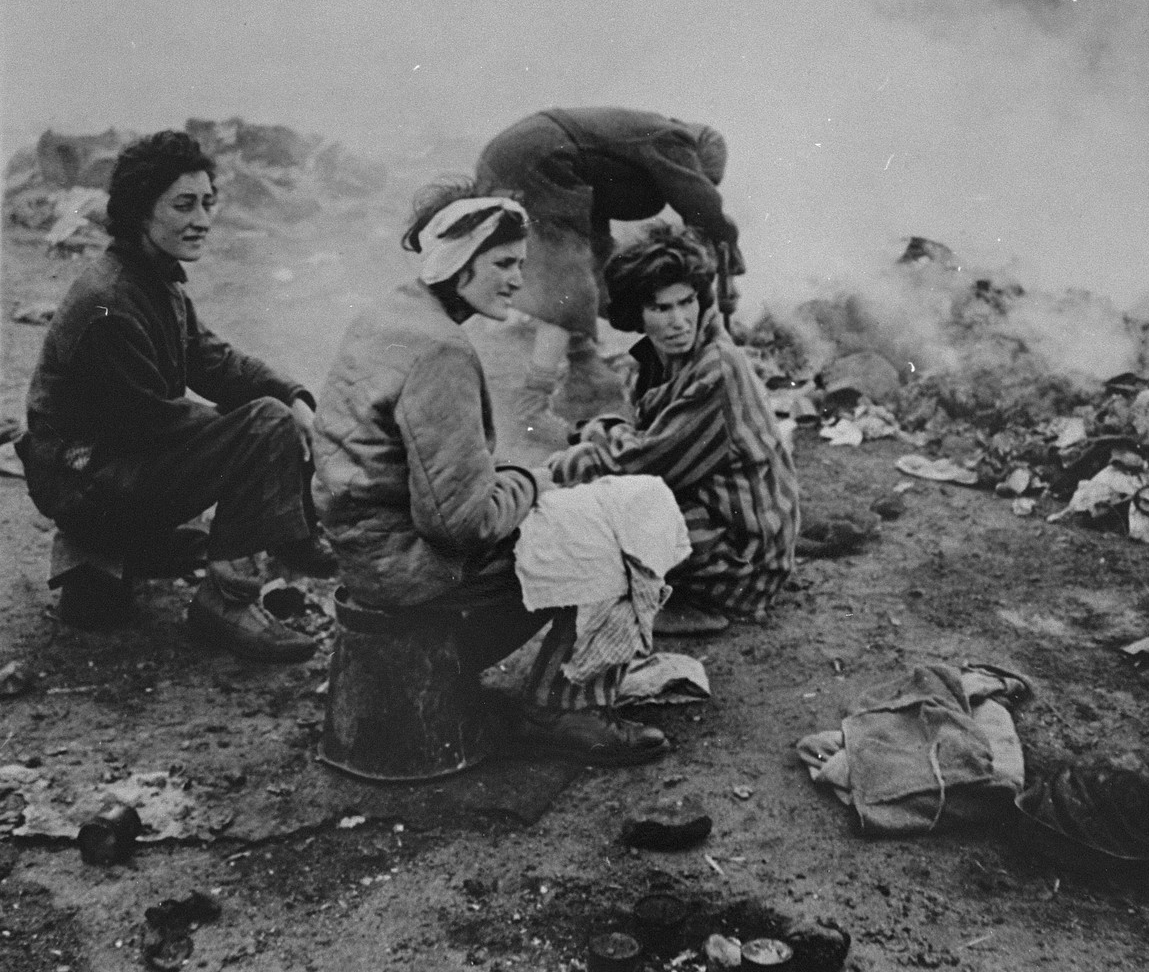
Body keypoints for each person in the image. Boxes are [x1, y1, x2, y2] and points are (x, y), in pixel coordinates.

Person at [310, 185, 670, 765]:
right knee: (607, 536)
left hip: (366, 553)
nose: (516, 282)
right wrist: (531, 484)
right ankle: (564, 709)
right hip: (412, 573)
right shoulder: (441, 351)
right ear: (456, 260)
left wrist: (504, 478)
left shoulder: (389, 314)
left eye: (520, 265)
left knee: (561, 509)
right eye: (503, 264)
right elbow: (461, 527)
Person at [18, 130, 335, 660]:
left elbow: (211, 359)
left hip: (105, 467)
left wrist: (293, 394)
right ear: (142, 211)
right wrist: (264, 431)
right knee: (266, 426)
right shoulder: (111, 302)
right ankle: (226, 603)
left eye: (208, 203)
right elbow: (154, 424)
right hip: (85, 484)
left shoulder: (151, 276)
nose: (202, 219)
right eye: (183, 205)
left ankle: (108, 566)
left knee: (273, 414)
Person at [547, 228, 799, 636]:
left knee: (613, 504)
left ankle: (702, 603)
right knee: (603, 476)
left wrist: (559, 470)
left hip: (745, 566)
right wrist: (599, 436)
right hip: (716, 523)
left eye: (687, 303)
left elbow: (647, 463)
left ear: (702, 300)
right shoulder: (655, 360)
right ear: (636, 313)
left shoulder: (718, 367)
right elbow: (643, 437)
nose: (679, 321)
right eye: (661, 309)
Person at [473, 107, 745, 444]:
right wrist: (725, 248)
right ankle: (533, 406)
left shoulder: (617, 152)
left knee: (588, 277)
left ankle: (584, 374)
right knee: (568, 286)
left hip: (522, 160)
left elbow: (596, 239)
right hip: (539, 159)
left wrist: (619, 289)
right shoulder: (673, 139)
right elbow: (703, 205)